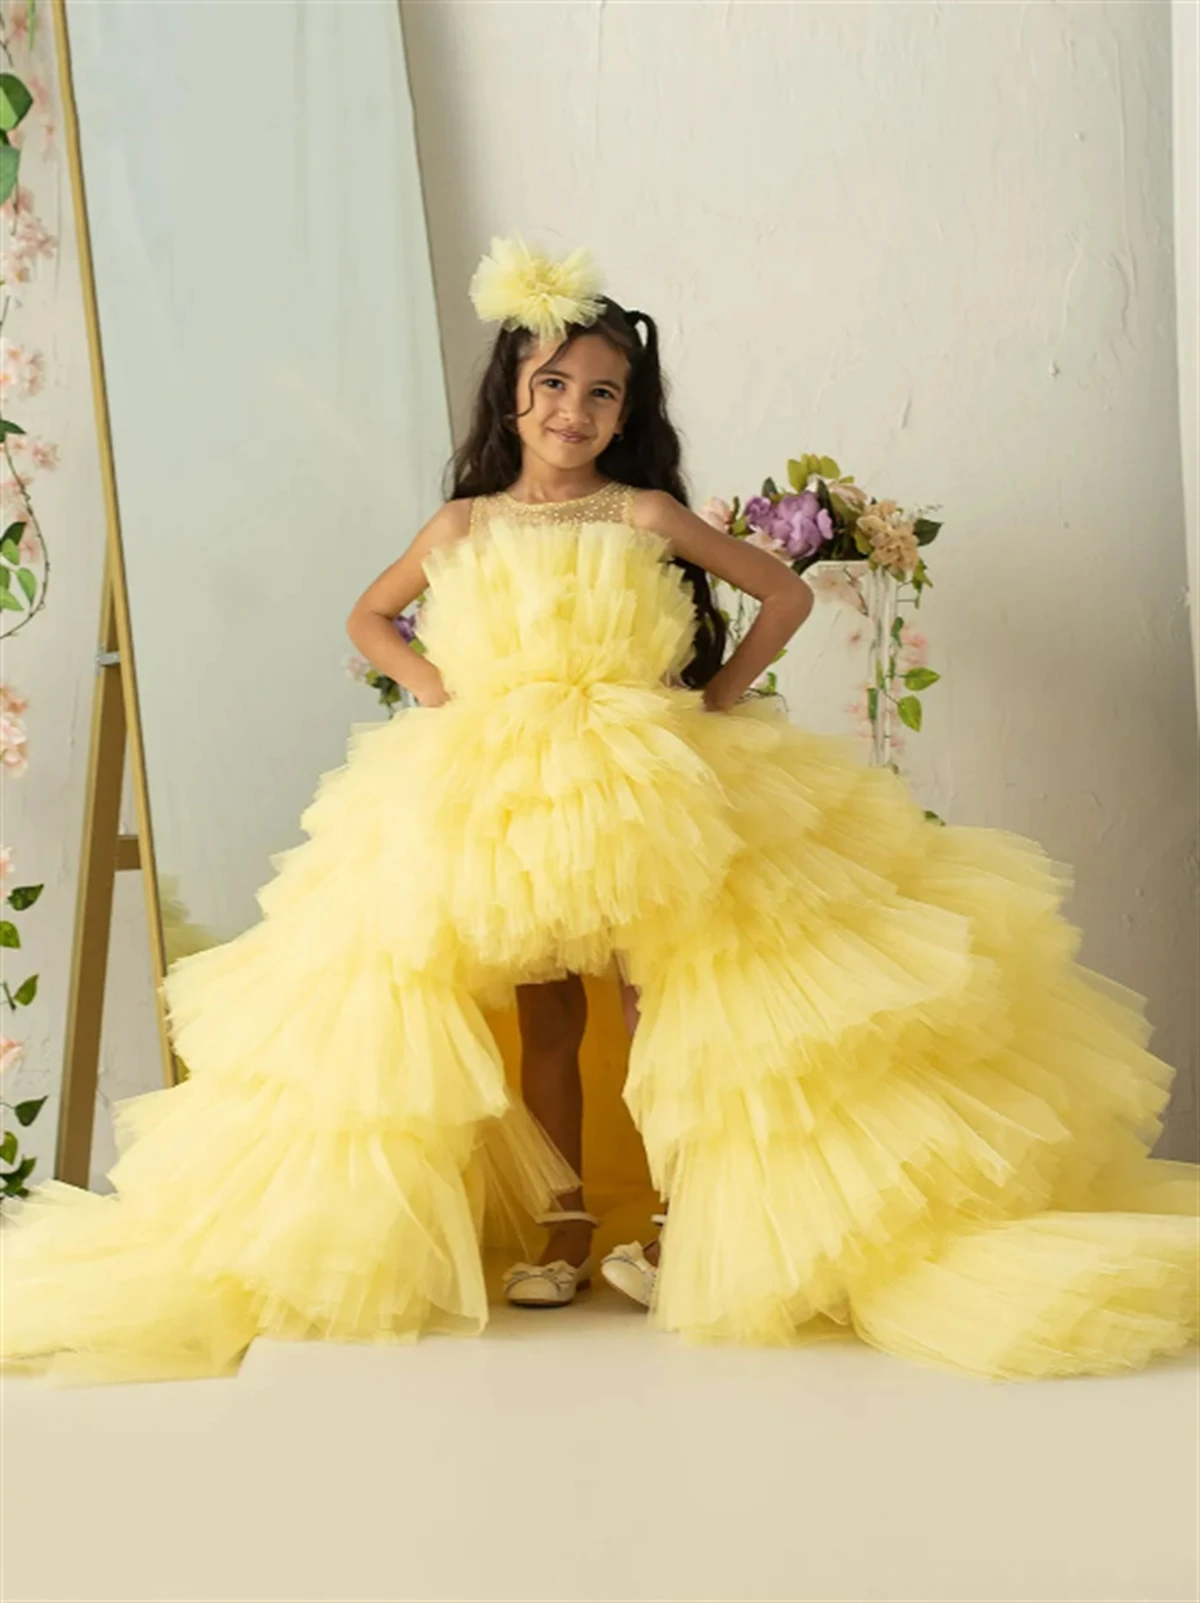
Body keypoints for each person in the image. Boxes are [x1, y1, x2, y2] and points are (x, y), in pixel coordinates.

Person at [3, 238, 1195, 1386]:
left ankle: (681, 1214)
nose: (576, 409)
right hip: (505, 793)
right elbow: (371, 616)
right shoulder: (466, 525)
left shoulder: (641, 514)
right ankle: (562, 1222)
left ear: (627, 417)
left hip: (642, 781)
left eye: (604, 394)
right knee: (548, 1011)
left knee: (668, 993)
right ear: (512, 398)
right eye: (554, 384)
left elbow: (780, 593)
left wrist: (718, 698)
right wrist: (436, 687)